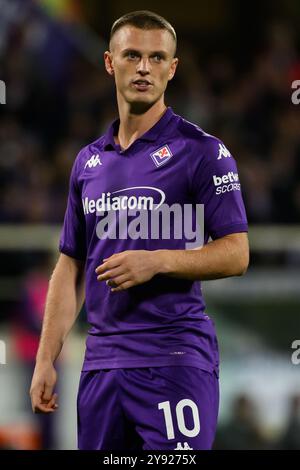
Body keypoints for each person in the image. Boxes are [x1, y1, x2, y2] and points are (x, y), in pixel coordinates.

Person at [30, 10, 249, 450]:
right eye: (132, 55)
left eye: (156, 57)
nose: (144, 67)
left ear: (172, 68)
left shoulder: (203, 152)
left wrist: (158, 261)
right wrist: (45, 358)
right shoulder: (89, 162)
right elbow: (71, 266)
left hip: (175, 359)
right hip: (101, 365)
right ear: (110, 62)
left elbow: (237, 253)